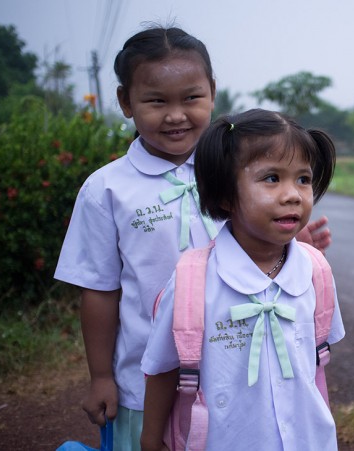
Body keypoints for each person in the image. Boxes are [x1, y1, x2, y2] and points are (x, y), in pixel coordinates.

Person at [54, 26, 331, 449]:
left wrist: (293, 241)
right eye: (156, 100)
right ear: (126, 102)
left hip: (237, 376)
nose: (176, 114)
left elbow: (262, 253)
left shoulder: (242, 176)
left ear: (213, 93)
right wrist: (102, 377)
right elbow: (99, 289)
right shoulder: (106, 189)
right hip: (145, 379)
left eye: (191, 97)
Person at [140, 109, 345, 451]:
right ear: (224, 195)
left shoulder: (315, 271)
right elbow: (162, 370)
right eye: (271, 178)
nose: (293, 194)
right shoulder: (193, 283)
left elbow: (315, 364)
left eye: (303, 179)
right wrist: (149, 442)